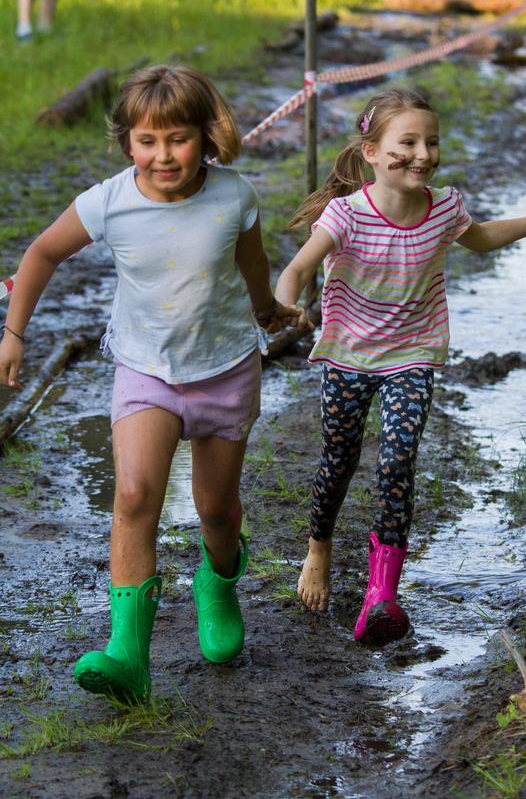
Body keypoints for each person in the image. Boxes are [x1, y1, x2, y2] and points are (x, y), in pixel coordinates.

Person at [0, 65, 302, 701]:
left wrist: (269, 310)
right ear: (126, 142)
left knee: (215, 511)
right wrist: (15, 333)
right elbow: (42, 254)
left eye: (178, 139)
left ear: (205, 136)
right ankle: (127, 655)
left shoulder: (234, 196)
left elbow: (252, 263)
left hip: (224, 368)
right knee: (135, 496)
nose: (163, 155)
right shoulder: (108, 202)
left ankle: (216, 586)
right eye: (147, 141)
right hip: (146, 369)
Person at [275, 88, 526, 646]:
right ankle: (318, 547)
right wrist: (289, 305)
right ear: (371, 151)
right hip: (348, 355)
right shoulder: (346, 214)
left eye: (431, 142)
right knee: (339, 460)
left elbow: (483, 239)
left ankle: (381, 594)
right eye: (407, 142)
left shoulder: (444, 207)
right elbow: (296, 268)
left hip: (413, 355)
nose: (422, 154)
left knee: (397, 460)